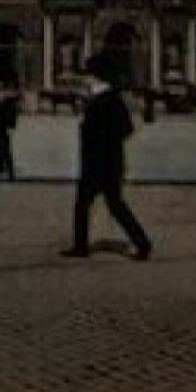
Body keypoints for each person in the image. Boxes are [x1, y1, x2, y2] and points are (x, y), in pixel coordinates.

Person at [62, 52, 152, 261]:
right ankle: (141, 243)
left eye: (87, 74)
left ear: (95, 76)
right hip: (110, 163)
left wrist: (100, 138)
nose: (84, 78)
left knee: (88, 204)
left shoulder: (104, 99)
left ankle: (81, 247)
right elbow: (127, 130)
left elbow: (117, 129)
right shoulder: (110, 98)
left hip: (97, 164)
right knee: (113, 205)